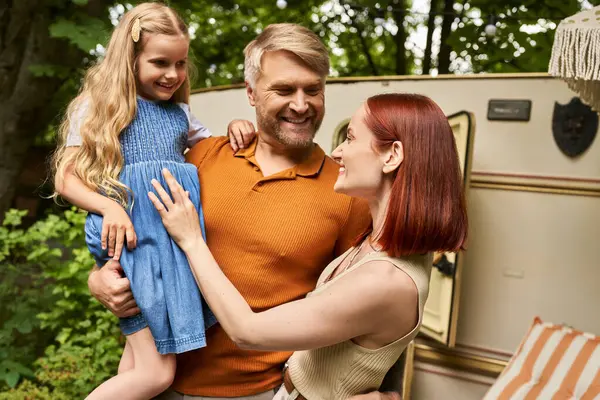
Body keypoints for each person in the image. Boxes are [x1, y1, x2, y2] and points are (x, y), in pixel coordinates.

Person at [89, 23, 406, 400]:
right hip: (156, 380)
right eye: (284, 89)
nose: (301, 104)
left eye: (313, 89)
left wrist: (384, 392)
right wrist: (100, 279)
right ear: (252, 93)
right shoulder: (199, 158)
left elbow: (375, 305)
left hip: (260, 392)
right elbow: (136, 231)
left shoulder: (347, 192)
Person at [149, 92, 469, 399]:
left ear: (392, 155)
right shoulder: (386, 242)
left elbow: (248, 330)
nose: (338, 152)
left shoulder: (385, 279)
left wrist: (190, 239)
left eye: (352, 138)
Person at [52, 3, 253, 399]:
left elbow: (215, 152)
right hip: (129, 243)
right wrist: (109, 206)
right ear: (130, 59)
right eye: (161, 62)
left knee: (135, 364)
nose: (173, 75)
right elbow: (66, 179)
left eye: (180, 64)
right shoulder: (100, 108)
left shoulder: (180, 115)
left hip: (166, 250)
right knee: (157, 372)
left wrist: (237, 127)